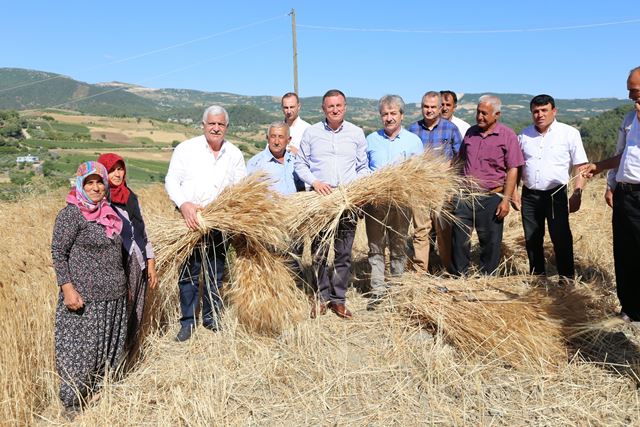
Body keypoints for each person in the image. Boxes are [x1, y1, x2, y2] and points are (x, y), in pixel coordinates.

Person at [165, 105, 246, 341]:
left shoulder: (235, 154)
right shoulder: (186, 149)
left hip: (219, 224)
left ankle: (211, 318)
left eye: (221, 124)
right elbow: (171, 180)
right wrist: (184, 205)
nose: (216, 128)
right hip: (189, 222)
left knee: (215, 271)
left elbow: (240, 189)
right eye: (212, 123)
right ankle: (188, 322)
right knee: (189, 273)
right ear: (203, 125)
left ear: (227, 127)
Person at [51, 161, 126, 414]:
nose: (95, 188)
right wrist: (67, 289)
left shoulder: (110, 212)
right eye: (89, 183)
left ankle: (96, 398)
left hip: (113, 295)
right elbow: (58, 253)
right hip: (84, 298)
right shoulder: (71, 214)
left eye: (99, 182)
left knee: (106, 351)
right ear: (80, 185)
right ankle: (71, 404)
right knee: (80, 353)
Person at [294, 89, 369, 319]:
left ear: (345, 107)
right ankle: (321, 297)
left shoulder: (356, 133)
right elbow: (300, 164)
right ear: (323, 109)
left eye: (338, 105)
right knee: (318, 253)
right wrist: (315, 182)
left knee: (343, 254)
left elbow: (362, 167)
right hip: (320, 202)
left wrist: (355, 189)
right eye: (330, 106)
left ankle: (338, 299)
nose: (335, 110)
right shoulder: (311, 133)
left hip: (346, 202)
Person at [580, 66, 640, 321]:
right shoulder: (629, 119)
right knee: (625, 252)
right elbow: (623, 154)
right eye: (629, 91)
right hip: (626, 194)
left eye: (634, 91)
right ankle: (630, 309)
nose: (630, 97)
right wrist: (605, 175)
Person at [512, 95, 587, 280]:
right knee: (532, 238)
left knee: (560, 237)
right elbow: (517, 167)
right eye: (536, 111)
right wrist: (514, 192)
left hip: (556, 193)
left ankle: (566, 279)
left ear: (554, 111)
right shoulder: (523, 135)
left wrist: (578, 192)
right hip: (529, 194)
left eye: (544, 110)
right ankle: (537, 278)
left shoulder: (569, 133)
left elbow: (581, 166)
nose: (540, 115)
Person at [451, 95, 524, 276]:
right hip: (465, 196)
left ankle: (487, 278)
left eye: (484, 113)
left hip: (492, 197)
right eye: (478, 112)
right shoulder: (470, 133)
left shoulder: (507, 136)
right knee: (459, 240)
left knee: (490, 242)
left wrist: (506, 200)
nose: (479, 117)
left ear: (496, 114)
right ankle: (460, 277)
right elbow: (459, 161)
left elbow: (513, 169)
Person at [97, 153, 158, 360]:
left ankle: (130, 357)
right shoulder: (102, 201)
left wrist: (150, 263)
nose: (117, 173)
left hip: (138, 262)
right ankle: (114, 361)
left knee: (137, 311)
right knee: (120, 313)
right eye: (112, 169)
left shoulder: (131, 197)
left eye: (120, 168)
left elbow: (142, 232)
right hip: (118, 265)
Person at [365, 95, 423, 310]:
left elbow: (419, 173)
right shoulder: (371, 140)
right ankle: (378, 291)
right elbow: (363, 170)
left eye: (393, 114)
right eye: (385, 114)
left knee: (398, 246)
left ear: (401, 115)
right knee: (375, 247)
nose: (389, 118)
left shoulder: (413, 142)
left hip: (401, 202)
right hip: (376, 203)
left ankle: (397, 288)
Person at [408, 91, 462, 273]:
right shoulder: (412, 130)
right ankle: (420, 272)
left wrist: (450, 166)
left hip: (443, 188)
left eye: (433, 107)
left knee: (444, 231)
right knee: (420, 231)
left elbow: (460, 157)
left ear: (440, 108)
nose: (429, 110)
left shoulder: (451, 129)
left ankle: (447, 270)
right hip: (420, 188)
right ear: (421, 107)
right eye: (426, 107)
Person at [246, 122, 302, 194]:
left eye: (281, 137)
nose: (276, 142)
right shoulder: (255, 163)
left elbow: (302, 187)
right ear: (267, 138)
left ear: (288, 140)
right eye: (273, 136)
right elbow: (249, 193)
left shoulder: (295, 160)